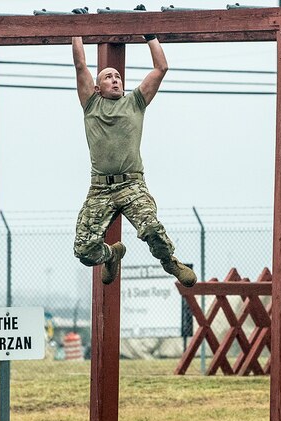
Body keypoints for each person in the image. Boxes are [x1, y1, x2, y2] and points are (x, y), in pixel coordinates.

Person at [70, 33, 197, 288]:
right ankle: (112, 255)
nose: (115, 80)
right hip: (100, 188)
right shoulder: (91, 104)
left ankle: (169, 262)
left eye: (117, 77)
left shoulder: (135, 102)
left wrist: (150, 36)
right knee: (84, 251)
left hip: (131, 185)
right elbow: (80, 65)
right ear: (97, 87)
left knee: (151, 228)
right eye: (108, 77)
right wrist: (77, 30)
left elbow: (161, 68)